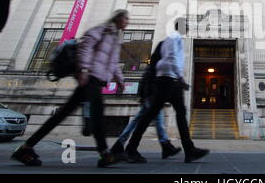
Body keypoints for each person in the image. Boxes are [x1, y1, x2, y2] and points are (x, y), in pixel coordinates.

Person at [12, 9, 129, 168]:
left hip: (96, 79)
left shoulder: (115, 37)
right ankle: (105, 154)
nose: (127, 22)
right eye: (126, 18)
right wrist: (83, 70)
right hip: (90, 78)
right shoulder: (103, 30)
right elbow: (85, 47)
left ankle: (26, 148)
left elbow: (113, 63)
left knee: (63, 115)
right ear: (118, 19)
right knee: (96, 114)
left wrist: (120, 81)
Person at [124, 18, 210, 163]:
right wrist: (181, 77)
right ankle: (131, 148)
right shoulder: (175, 38)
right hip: (168, 80)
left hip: (170, 80)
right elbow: (171, 58)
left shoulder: (171, 39)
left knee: (180, 114)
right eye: (186, 26)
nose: (187, 28)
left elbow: (162, 61)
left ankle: (189, 150)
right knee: (150, 114)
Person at [110, 41, 182, 162]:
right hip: (151, 95)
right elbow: (149, 76)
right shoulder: (160, 58)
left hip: (150, 94)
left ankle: (119, 145)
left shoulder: (161, 58)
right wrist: (146, 94)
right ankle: (164, 145)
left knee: (137, 120)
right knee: (157, 119)